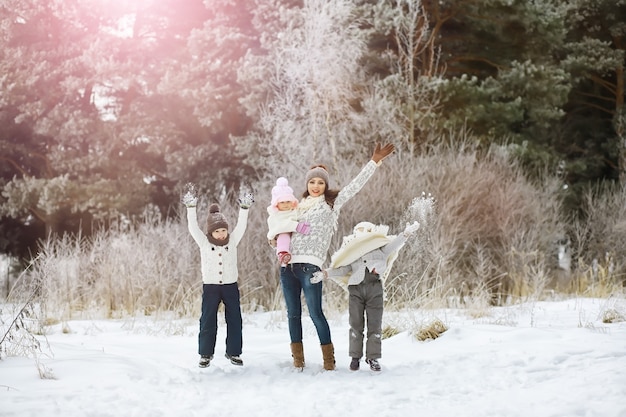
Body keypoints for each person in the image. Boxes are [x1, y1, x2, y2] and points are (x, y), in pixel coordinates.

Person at [276, 143, 395, 371]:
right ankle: (298, 359)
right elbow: (281, 228)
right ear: (307, 184)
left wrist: (374, 162)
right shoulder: (297, 206)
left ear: (325, 185)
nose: (316, 186)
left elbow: (354, 186)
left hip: (311, 267)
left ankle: (328, 361)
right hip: (288, 266)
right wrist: (276, 243)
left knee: (315, 313)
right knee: (293, 314)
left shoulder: (331, 203)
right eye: (312, 182)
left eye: (320, 182)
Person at [311, 221, 420, 372]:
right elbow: (343, 269)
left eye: (365, 230)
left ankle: (373, 357)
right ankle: (355, 357)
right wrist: (325, 274)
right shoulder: (352, 252)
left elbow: (395, 244)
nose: (362, 233)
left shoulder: (380, 249)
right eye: (359, 231)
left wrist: (406, 233)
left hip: (375, 289)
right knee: (355, 324)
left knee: (375, 325)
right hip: (356, 290)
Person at [182, 186, 254, 368]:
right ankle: (206, 354)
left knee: (235, 319)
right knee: (207, 319)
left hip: (230, 286)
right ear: (211, 233)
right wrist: (191, 207)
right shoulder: (204, 243)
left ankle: (234, 352)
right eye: (217, 231)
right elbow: (192, 227)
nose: (221, 234)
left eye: (223, 230)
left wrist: (244, 208)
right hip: (211, 287)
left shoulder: (233, 240)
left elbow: (241, 226)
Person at [266, 177, 311, 265]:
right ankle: (282, 253)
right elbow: (280, 226)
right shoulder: (276, 214)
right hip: (281, 233)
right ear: (276, 204)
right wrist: (297, 226)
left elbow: (300, 216)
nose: (285, 205)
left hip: (296, 237)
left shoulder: (294, 210)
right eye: (282, 202)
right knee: (284, 236)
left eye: (288, 201)